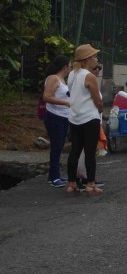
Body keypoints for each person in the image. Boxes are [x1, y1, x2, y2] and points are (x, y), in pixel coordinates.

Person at [66, 44, 104, 196]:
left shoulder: (72, 74)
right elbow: (97, 100)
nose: (96, 60)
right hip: (89, 118)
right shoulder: (89, 76)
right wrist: (100, 110)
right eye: (94, 57)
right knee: (89, 153)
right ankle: (91, 184)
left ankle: (71, 183)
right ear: (87, 59)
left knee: (74, 151)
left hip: (74, 117)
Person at [41, 55, 71, 187]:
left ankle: (54, 174)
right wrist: (65, 103)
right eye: (69, 65)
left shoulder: (63, 80)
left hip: (63, 116)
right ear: (65, 67)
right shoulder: (54, 78)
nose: (70, 68)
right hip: (55, 116)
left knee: (59, 146)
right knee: (56, 146)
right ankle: (54, 177)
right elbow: (46, 97)